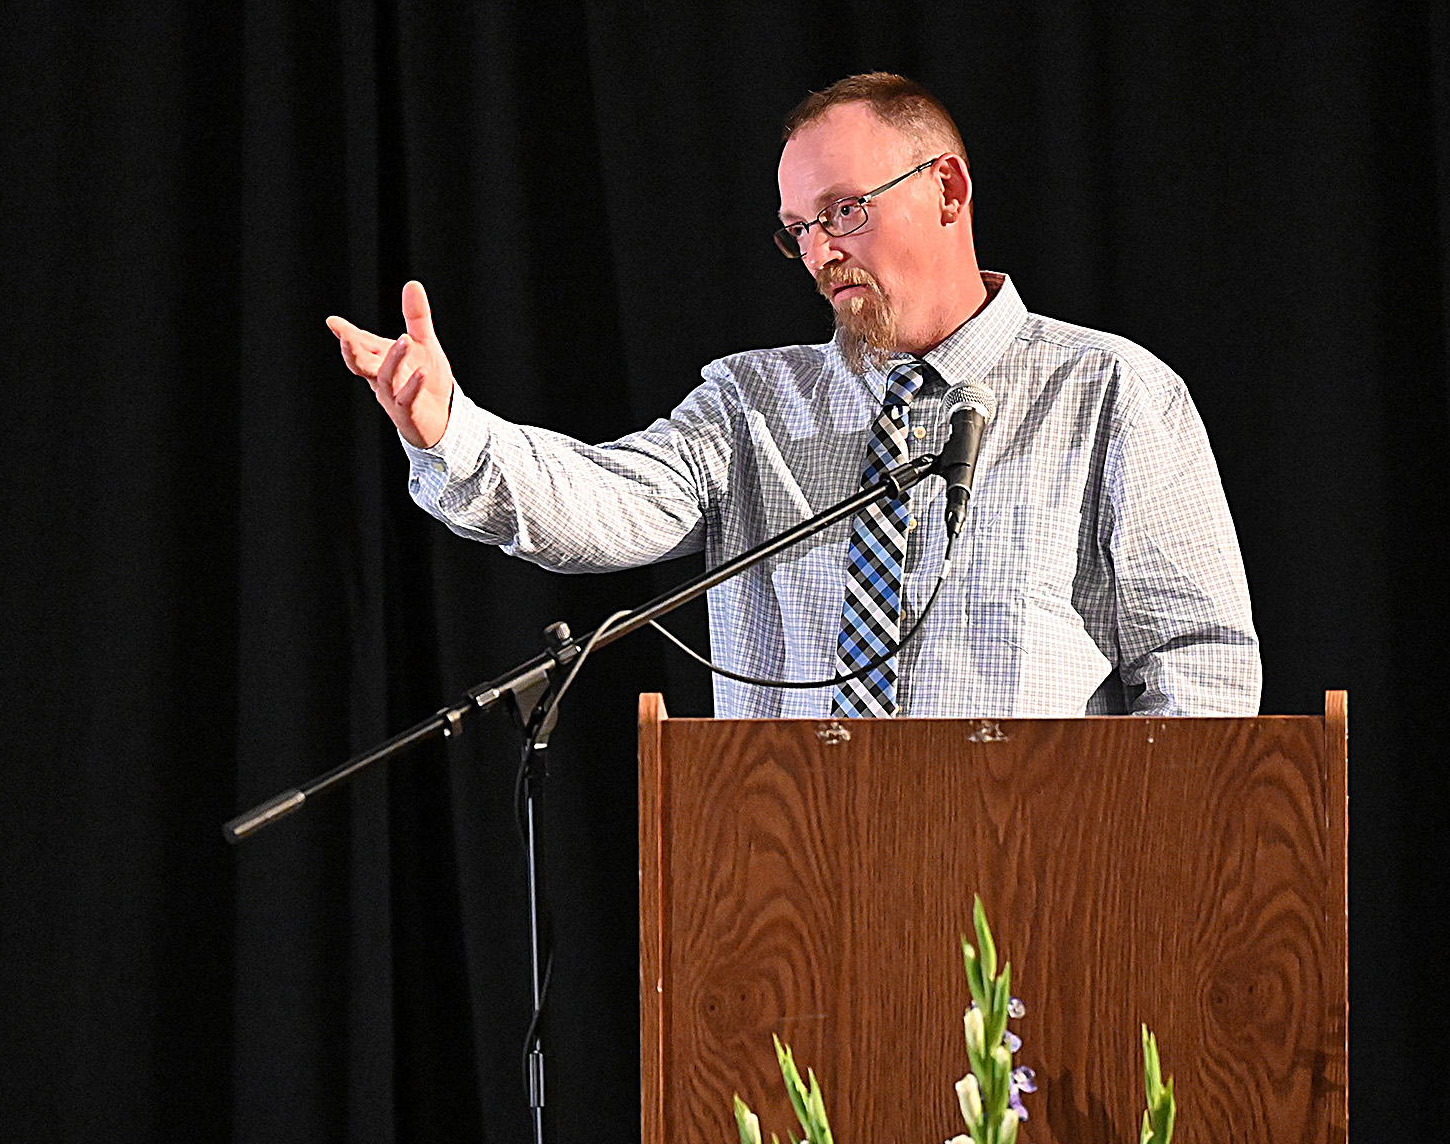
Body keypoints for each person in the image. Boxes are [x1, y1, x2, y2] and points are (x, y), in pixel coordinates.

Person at [327, 73, 1259, 718]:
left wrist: (1129, 879)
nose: (820, 254)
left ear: (948, 188)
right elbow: (605, 502)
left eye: (843, 211)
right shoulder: (752, 406)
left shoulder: (1110, 394)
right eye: (798, 230)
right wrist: (451, 430)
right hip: (793, 901)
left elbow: (1201, 667)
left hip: (1029, 905)